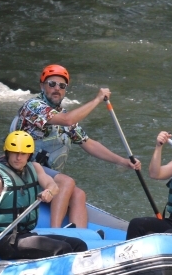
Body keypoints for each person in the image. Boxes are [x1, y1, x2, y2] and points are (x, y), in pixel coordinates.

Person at [11, 64, 141, 228]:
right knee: (66, 182)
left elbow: (88, 143)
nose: (56, 89)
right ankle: (55, 232)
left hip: (45, 176)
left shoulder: (63, 114)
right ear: (42, 86)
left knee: (79, 195)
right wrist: (97, 100)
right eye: (51, 84)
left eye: (62, 86)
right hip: (22, 169)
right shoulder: (34, 107)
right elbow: (68, 121)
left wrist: (123, 161)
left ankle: (81, 239)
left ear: (65, 90)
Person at [0, 131, 88, 260]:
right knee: (63, 249)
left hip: (25, 234)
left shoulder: (35, 168)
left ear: (29, 155)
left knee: (78, 245)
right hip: (5, 241)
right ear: (7, 152)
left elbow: (54, 185)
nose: (18, 158)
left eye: (23, 154)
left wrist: (49, 191)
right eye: (15, 153)